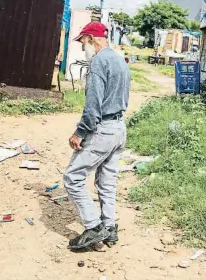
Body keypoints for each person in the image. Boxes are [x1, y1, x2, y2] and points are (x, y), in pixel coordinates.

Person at [63, 21, 131, 250]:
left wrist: (80, 132)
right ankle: (109, 228)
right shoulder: (120, 60)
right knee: (107, 182)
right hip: (119, 128)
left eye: (83, 43)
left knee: (73, 177)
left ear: (91, 39)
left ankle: (94, 227)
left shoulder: (99, 61)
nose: (83, 48)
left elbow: (93, 106)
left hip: (103, 129)